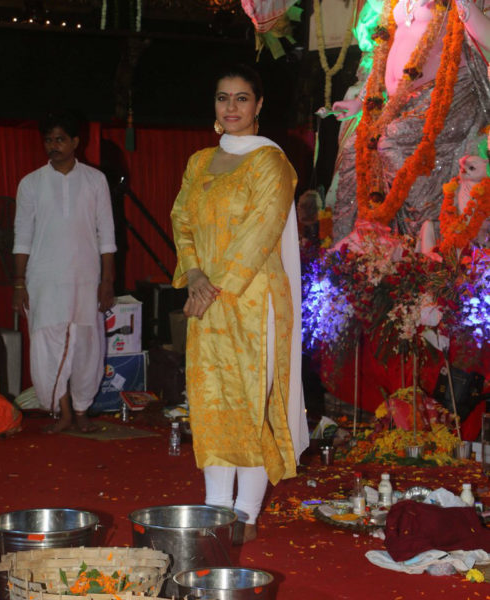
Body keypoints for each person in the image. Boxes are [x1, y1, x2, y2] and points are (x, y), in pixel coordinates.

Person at [171, 64, 309, 544]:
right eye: (222, 97)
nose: (230, 108)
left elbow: (261, 231)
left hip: (253, 301)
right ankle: (215, 511)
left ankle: (246, 515)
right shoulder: (198, 162)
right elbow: (181, 219)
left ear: (259, 105)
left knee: (251, 402)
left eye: (241, 99)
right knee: (211, 402)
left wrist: (215, 286)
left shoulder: (271, 163)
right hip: (204, 297)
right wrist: (193, 275)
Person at [328, 0, 490, 243]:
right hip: (399, 101)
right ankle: (358, 255)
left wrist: (464, 6)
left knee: (391, 142)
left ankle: (421, 244)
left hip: (444, 95)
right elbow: (385, 52)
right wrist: (361, 101)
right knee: (355, 149)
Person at [12, 110, 117, 433]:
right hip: (44, 279)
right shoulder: (30, 183)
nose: (52, 145)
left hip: (86, 279)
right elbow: (22, 237)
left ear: (75, 142)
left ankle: (82, 411)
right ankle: (64, 412)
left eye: (59, 139)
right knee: (48, 345)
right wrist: (18, 283)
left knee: (86, 345)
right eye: (48, 139)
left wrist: (107, 282)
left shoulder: (95, 180)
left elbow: (107, 235)